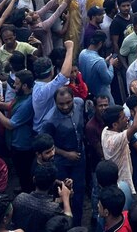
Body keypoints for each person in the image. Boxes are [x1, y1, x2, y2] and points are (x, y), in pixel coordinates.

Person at [40, 86, 86, 225]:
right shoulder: (49, 121)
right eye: (61, 104)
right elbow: (46, 145)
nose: (65, 106)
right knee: (63, 195)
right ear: (55, 102)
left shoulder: (79, 103)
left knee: (79, 193)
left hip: (79, 159)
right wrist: (66, 154)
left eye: (68, 102)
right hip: (61, 163)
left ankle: (77, 224)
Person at [102, 86, 137, 194]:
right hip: (123, 187)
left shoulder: (105, 130)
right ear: (115, 124)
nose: (127, 119)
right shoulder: (116, 139)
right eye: (123, 118)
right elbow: (136, 125)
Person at [11, 163, 73, 231]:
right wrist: (66, 199)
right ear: (53, 184)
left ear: (34, 179)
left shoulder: (19, 199)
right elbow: (67, 222)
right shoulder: (54, 210)